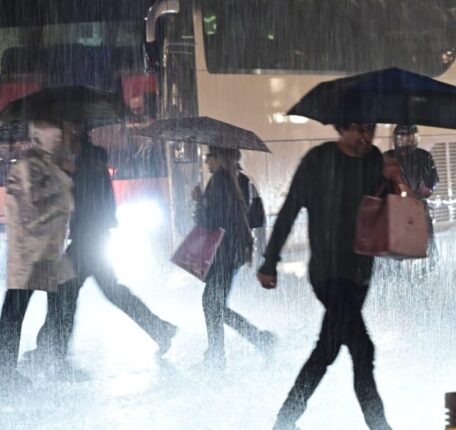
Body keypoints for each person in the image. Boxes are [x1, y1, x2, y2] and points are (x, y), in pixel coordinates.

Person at [258, 123, 399, 430]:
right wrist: (270, 261)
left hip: (360, 272)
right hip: (328, 273)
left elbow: (387, 209)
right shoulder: (318, 160)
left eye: (371, 129)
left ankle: (284, 421)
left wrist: (392, 181)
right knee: (362, 349)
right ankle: (379, 426)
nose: (366, 137)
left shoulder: (374, 159)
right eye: (359, 129)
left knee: (328, 349)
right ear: (342, 128)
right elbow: (290, 209)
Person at [29, 137, 176, 372]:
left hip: (87, 242)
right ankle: (159, 329)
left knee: (64, 292)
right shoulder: (93, 168)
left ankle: (52, 349)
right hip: (94, 240)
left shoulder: (86, 171)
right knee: (105, 292)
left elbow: (79, 204)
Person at [0, 121, 75, 385]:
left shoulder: (49, 168)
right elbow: (30, 209)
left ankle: (51, 356)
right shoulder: (28, 169)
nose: (58, 143)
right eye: (54, 139)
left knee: (61, 301)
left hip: (47, 251)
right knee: (17, 308)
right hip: (32, 253)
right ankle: (6, 369)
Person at [192, 146, 274, 367]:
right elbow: (254, 218)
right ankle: (249, 342)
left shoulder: (220, 181)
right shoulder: (242, 180)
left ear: (219, 157)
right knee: (214, 304)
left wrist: (198, 201)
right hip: (234, 251)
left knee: (212, 303)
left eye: (209, 156)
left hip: (222, 251)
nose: (206, 161)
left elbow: (209, 222)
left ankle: (221, 352)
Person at [383, 124, 439, 249]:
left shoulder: (424, 156)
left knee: (426, 240)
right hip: (394, 206)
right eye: (401, 137)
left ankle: (430, 255)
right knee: (393, 241)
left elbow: (433, 179)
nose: (405, 142)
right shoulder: (387, 157)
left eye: (409, 138)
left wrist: (426, 189)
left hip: (417, 203)